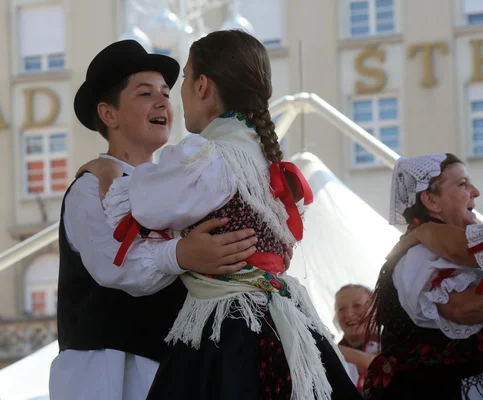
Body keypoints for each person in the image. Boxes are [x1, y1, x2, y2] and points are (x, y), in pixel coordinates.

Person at [83, 30, 360, 400]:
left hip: (229, 329)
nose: (174, 95)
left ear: (202, 86)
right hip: (279, 315)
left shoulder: (205, 158)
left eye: (181, 79)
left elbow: (133, 209)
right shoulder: (267, 161)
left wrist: (108, 172)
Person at [49, 39, 276, 400]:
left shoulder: (182, 187)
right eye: (144, 94)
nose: (162, 102)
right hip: (111, 374)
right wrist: (182, 254)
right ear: (109, 115)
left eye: (166, 93)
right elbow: (114, 264)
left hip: (172, 369)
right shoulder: (90, 188)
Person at [363, 153, 483, 399]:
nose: (475, 192)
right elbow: (464, 309)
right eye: (462, 184)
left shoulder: (446, 249)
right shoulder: (419, 256)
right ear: (431, 200)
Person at [334, 284, 380, 391]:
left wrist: (329, 348)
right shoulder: (323, 360)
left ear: (374, 309)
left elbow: (374, 364)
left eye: (357, 305)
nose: (349, 314)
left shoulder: (392, 346)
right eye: (341, 309)